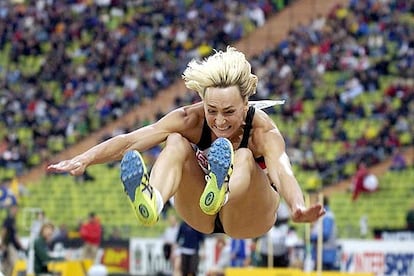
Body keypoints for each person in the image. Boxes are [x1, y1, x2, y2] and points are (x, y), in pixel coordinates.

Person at [47, 46, 325, 238]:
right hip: (199, 211)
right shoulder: (190, 119)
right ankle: (154, 201)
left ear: (245, 104)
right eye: (211, 110)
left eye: (229, 112)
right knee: (176, 141)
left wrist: (297, 206)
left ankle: (223, 189)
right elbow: (129, 141)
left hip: (249, 215)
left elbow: (281, 169)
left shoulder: (262, 129)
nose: (219, 121)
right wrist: (84, 158)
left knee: (242, 157)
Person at [311, 196, 338, 271]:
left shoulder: (327, 216)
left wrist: (312, 237)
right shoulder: (323, 215)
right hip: (321, 253)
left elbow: (325, 234)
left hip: (325, 253)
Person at [1, 205, 26, 276]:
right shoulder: (9, 219)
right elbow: (4, 231)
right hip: (9, 244)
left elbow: (16, 235)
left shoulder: (13, 219)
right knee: (14, 262)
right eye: (16, 209)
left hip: (11, 245)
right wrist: (3, 244)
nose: (17, 211)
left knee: (8, 264)